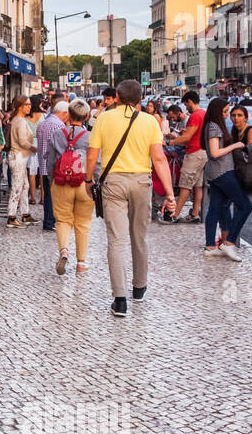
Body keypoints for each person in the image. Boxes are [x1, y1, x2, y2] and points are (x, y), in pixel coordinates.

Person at [84, 79, 176, 317]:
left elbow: (93, 153)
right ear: (140, 99)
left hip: (113, 182)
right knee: (140, 236)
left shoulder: (104, 118)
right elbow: (158, 159)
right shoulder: (149, 121)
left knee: (116, 240)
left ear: (117, 96)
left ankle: (120, 299)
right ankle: (139, 287)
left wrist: (87, 180)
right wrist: (169, 192)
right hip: (141, 181)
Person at [202, 98, 252, 262]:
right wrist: (235, 145)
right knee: (245, 206)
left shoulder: (210, 125)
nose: (227, 116)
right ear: (217, 111)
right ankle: (229, 243)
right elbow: (215, 153)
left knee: (215, 208)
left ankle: (210, 247)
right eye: (225, 112)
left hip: (215, 172)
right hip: (223, 172)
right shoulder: (215, 127)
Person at [47, 98, 93, 274]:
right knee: (83, 223)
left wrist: (52, 181)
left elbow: (50, 161)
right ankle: (81, 263)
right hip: (84, 182)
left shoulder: (57, 134)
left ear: (69, 114)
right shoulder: (90, 137)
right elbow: (96, 162)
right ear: (87, 116)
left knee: (63, 220)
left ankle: (64, 250)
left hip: (62, 182)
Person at [166, 91, 207, 225]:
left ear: (190, 102)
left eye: (185, 104)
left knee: (185, 185)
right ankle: (195, 214)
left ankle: (174, 215)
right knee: (197, 185)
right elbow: (193, 133)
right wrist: (185, 133)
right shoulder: (203, 114)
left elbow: (187, 137)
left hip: (194, 153)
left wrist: (170, 142)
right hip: (202, 152)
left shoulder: (195, 116)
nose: (185, 108)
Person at [36, 100, 70, 231]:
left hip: (43, 165)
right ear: (64, 113)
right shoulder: (59, 126)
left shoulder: (43, 123)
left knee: (48, 194)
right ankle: (51, 221)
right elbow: (61, 148)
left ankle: (48, 220)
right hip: (54, 165)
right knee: (55, 195)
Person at [6, 95, 35, 228]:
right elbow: (22, 141)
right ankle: (11, 216)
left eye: (29, 104)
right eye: (27, 105)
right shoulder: (20, 121)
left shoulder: (17, 119)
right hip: (18, 156)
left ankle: (25, 214)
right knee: (17, 187)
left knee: (24, 186)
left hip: (19, 157)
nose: (29, 107)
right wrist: (34, 148)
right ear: (19, 107)